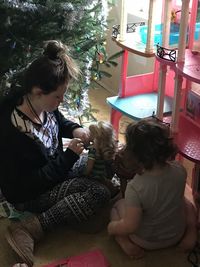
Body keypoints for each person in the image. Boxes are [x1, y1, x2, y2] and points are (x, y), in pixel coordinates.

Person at [0, 40, 111, 267]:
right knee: (98, 193)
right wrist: (69, 157)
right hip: (30, 195)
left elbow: (57, 119)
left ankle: (73, 204)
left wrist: (74, 128)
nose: (61, 101)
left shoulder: (38, 102)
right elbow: (31, 184)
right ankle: (32, 227)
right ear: (38, 92)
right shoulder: (14, 134)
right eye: (58, 97)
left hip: (53, 169)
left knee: (92, 162)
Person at [107, 118, 197, 259]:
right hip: (176, 234)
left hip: (146, 241)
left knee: (117, 206)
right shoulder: (180, 170)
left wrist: (112, 227)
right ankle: (191, 231)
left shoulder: (135, 187)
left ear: (134, 154)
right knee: (187, 203)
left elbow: (130, 226)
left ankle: (123, 241)